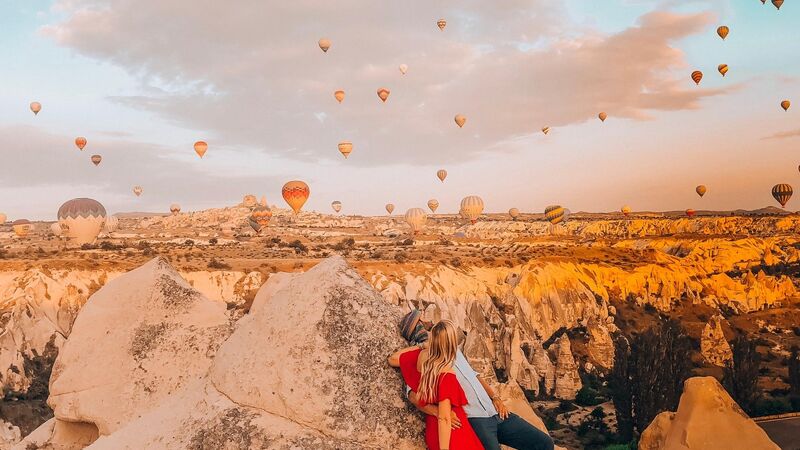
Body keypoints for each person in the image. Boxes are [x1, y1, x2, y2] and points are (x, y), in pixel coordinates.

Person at [390, 310, 554, 450]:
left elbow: (474, 375)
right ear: (417, 329)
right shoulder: (424, 358)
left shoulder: (454, 350)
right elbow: (413, 395)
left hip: (496, 412)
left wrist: (495, 397)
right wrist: (423, 345)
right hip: (476, 420)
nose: (427, 321)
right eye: (421, 320)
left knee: (544, 443)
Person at [390, 320, 485, 450]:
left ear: (432, 338)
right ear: (451, 344)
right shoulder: (445, 371)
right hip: (452, 433)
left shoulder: (421, 357)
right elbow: (444, 418)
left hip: (433, 429)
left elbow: (393, 359)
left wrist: (422, 346)